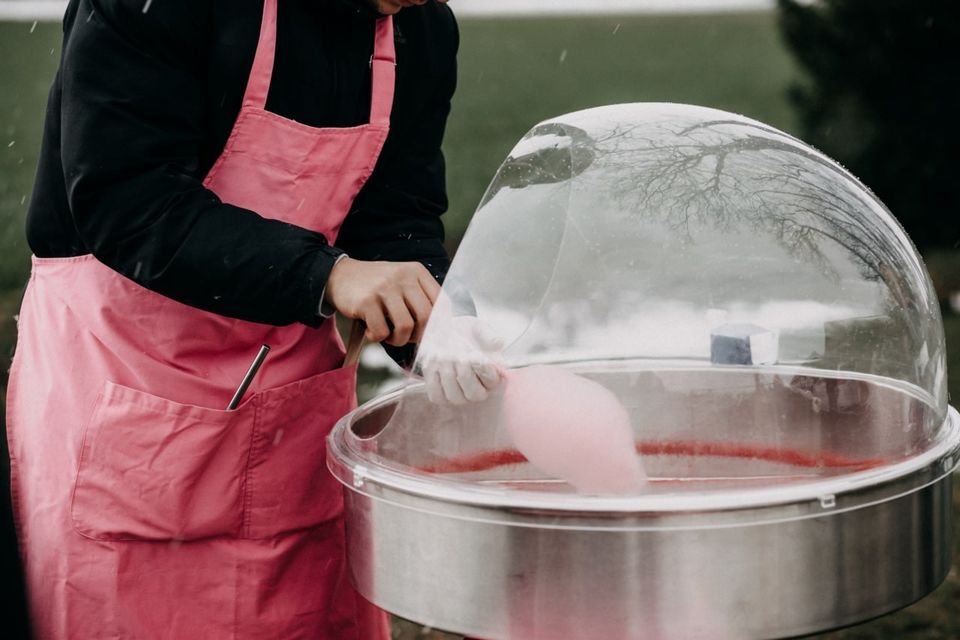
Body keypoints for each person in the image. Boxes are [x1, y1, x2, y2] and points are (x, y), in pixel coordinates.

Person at [5, 0, 497, 637]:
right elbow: (128, 199)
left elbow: (397, 215)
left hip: (292, 428)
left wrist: (437, 328)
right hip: (126, 404)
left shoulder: (419, 29)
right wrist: (327, 275)